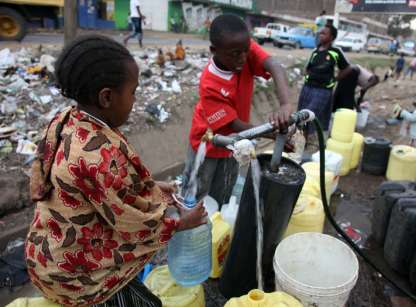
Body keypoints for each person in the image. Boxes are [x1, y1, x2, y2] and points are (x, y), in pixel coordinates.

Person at [25, 35, 206, 306]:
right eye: (133, 91)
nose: (135, 100)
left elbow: (99, 190)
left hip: (46, 252)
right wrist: (181, 224)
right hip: (73, 276)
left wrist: (152, 189)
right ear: (107, 97)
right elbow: (132, 225)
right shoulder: (98, 155)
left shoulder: (66, 120)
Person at [181, 14, 292, 207]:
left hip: (235, 142)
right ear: (214, 50)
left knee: (224, 194)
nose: (242, 58)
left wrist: (285, 105)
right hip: (207, 143)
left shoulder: (241, 47)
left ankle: (219, 228)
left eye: (245, 51)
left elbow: (275, 66)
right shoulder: (210, 83)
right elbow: (233, 124)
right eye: (235, 54)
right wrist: (273, 134)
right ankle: (189, 231)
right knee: (196, 195)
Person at [297, 24, 351, 161]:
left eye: (324, 33)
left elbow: (347, 68)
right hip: (307, 88)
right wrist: (307, 76)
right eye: (320, 33)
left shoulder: (335, 52)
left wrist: (334, 79)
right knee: (301, 115)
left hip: (323, 90)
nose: (320, 35)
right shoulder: (315, 51)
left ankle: (310, 146)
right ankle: (301, 143)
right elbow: (308, 68)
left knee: (309, 115)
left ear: (331, 37)